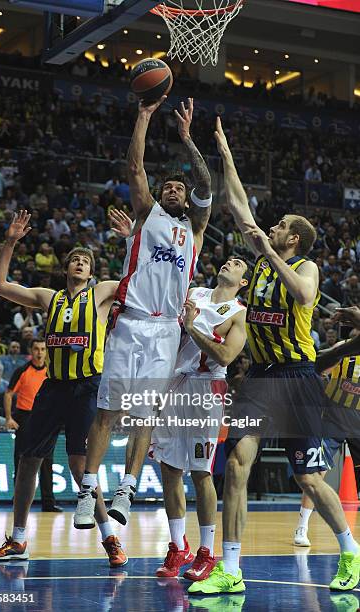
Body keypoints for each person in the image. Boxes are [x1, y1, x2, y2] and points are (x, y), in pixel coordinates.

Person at [189, 118, 360, 595]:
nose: (272, 225)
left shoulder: (306, 266)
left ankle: (350, 552)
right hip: (261, 379)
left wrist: (270, 251)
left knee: (308, 478)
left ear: (294, 240)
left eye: (281, 225)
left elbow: (304, 297)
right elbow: (239, 203)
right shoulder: (262, 256)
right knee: (237, 465)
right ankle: (231, 568)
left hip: (299, 377)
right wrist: (225, 153)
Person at [74, 96, 212, 529]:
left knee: (146, 414)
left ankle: (127, 490)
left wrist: (188, 139)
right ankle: (86, 491)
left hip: (166, 332)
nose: (171, 190)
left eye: (178, 188)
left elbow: (208, 184)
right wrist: (144, 116)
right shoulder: (147, 214)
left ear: (187, 201)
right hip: (131, 322)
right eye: (166, 186)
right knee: (108, 412)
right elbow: (135, 169)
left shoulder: (195, 230)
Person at [0, 210, 127, 567]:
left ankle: (109, 537)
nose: (80, 263)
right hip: (53, 388)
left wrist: (129, 239)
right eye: (75, 260)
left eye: (85, 261)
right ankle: (18, 540)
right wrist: (11, 242)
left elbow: (138, 278)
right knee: (28, 461)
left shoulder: (103, 292)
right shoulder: (50, 298)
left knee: (82, 469)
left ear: (92, 271)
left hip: (87, 388)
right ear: (67, 268)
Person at [152, 258, 247, 580]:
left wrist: (192, 327)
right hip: (175, 385)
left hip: (207, 390)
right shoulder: (195, 293)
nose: (230, 262)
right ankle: (179, 546)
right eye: (229, 260)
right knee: (169, 468)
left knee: (200, 472)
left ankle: (207, 551)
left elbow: (226, 356)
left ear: (243, 282)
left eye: (238, 264)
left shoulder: (237, 312)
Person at [294, 307, 360, 547]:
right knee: (315, 474)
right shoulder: (342, 349)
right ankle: (301, 528)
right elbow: (319, 364)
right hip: (333, 418)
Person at [4, 337, 62, 513]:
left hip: (46, 418)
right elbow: (8, 394)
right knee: (21, 460)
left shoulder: (51, 372)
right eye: (36, 349)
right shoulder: (22, 371)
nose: (39, 352)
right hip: (24, 417)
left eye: (43, 349)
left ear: (46, 351)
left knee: (47, 462)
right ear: (31, 351)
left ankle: (48, 503)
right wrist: (8, 418)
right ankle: (18, 500)